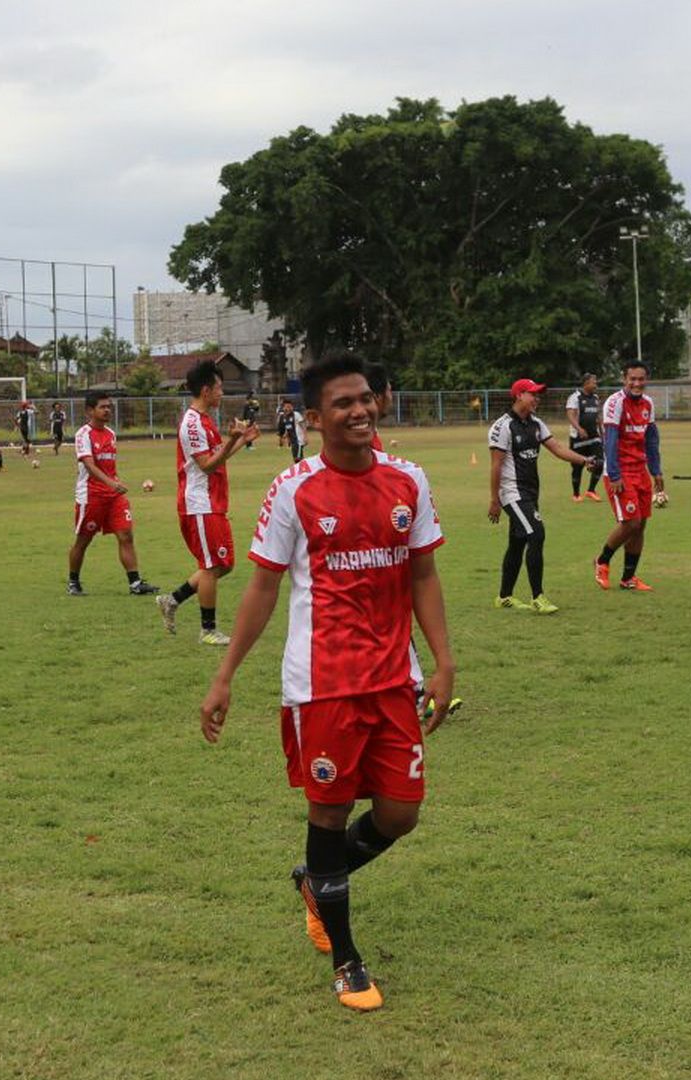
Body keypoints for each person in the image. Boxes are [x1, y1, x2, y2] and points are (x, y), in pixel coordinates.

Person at [200, 352, 454, 1013]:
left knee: (401, 813)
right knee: (329, 811)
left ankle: (316, 879)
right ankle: (347, 960)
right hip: (321, 685)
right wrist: (224, 676)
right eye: (343, 403)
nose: (360, 410)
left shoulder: (409, 481)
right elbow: (261, 586)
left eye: (366, 398)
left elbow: (423, 575)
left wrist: (444, 661)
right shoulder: (294, 490)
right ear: (313, 419)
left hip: (394, 678)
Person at [159, 361, 259, 644]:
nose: (221, 394)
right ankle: (208, 630)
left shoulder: (204, 421)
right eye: (219, 388)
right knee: (214, 563)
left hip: (212, 502)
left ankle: (173, 600)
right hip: (199, 503)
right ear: (205, 390)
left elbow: (217, 458)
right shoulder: (192, 424)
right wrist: (233, 441)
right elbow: (205, 466)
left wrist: (241, 441)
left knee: (223, 564)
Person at [488, 378, 595, 613]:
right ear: (519, 396)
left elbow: (557, 448)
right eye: (533, 394)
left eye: (538, 394)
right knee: (536, 534)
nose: (537, 398)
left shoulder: (536, 423)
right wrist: (495, 500)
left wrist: (585, 460)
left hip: (530, 492)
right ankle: (538, 597)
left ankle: (504, 596)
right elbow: (496, 465)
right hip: (512, 493)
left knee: (517, 543)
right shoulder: (503, 426)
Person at [67, 390, 161, 597]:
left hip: (114, 495)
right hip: (91, 495)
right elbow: (89, 465)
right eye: (103, 407)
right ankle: (73, 581)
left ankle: (135, 583)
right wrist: (111, 483)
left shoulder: (110, 434)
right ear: (90, 411)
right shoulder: (83, 435)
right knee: (83, 540)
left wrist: (114, 483)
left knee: (126, 535)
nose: (108, 410)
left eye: (109, 406)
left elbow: (109, 466)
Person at [593, 360, 667, 591]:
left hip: (640, 469)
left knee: (641, 525)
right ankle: (602, 560)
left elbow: (651, 440)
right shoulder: (615, 403)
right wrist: (614, 475)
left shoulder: (648, 404)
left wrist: (656, 471)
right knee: (630, 523)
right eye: (632, 379)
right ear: (624, 379)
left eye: (641, 379)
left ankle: (628, 578)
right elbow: (611, 442)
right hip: (620, 471)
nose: (637, 383)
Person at [564, 373, 604, 502]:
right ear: (586, 383)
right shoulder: (575, 397)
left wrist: (602, 432)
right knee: (578, 465)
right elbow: (570, 415)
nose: (595, 385)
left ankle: (591, 490)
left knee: (600, 462)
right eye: (593, 382)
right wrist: (579, 429)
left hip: (594, 437)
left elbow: (598, 416)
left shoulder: (596, 397)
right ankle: (576, 494)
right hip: (578, 438)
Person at [367, 364, 395, 451]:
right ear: (377, 397)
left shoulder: (370, 433)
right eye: (389, 391)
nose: (391, 397)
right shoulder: (364, 442)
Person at [276, 398, 307, 464]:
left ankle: (305, 472)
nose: (288, 408)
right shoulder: (284, 417)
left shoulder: (296, 414)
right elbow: (289, 428)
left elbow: (303, 426)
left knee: (298, 459)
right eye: (286, 407)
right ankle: (305, 471)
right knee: (296, 459)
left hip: (298, 440)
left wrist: (305, 437)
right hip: (293, 442)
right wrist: (285, 436)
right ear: (283, 408)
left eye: (290, 407)